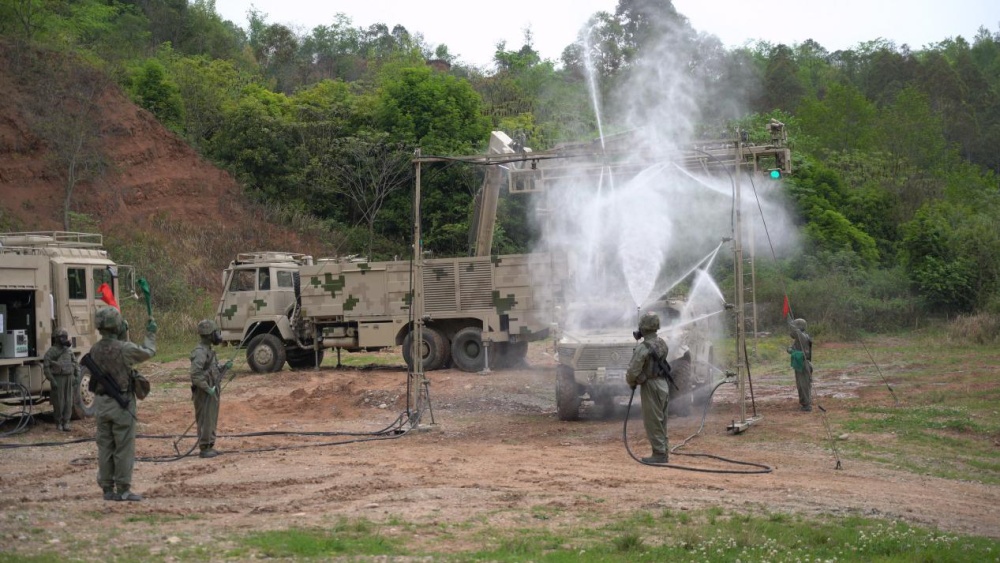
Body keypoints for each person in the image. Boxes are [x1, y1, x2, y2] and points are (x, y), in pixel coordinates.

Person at [88, 307, 156, 501]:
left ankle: (107, 489)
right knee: (123, 448)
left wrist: (122, 335)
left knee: (105, 447)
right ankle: (123, 489)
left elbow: (113, 352)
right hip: (122, 404)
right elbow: (148, 351)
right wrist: (150, 333)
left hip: (101, 405)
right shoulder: (124, 349)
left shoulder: (95, 349)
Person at [625, 312, 671, 464]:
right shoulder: (662, 343)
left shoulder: (643, 347)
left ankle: (659, 454)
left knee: (652, 420)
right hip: (663, 384)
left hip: (650, 386)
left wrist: (632, 381)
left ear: (643, 328)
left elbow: (633, 371)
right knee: (661, 419)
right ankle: (663, 450)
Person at [189, 319, 231, 459]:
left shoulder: (208, 351)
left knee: (211, 418)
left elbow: (212, 370)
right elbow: (195, 374)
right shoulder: (200, 352)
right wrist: (208, 389)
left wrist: (224, 367)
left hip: (210, 391)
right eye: (215, 333)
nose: (218, 335)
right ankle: (204, 447)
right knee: (205, 419)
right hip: (204, 393)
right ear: (208, 335)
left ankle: (209, 445)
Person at [42, 328, 80, 431]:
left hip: (69, 377)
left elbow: (75, 363)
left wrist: (77, 376)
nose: (63, 339)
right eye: (61, 337)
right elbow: (46, 367)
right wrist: (52, 380)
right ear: (56, 339)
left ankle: (66, 422)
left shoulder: (68, 350)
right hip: (58, 378)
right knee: (59, 402)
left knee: (69, 401)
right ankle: (58, 422)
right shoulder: (52, 351)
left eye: (64, 337)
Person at [787, 317, 813, 412]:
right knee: (802, 385)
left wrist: (789, 319)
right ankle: (805, 403)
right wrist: (790, 350)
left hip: (803, 364)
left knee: (803, 385)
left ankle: (806, 405)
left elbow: (794, 331)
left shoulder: (801, 336)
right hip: (800, 364)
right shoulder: (801, 337)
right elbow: (794, 348)